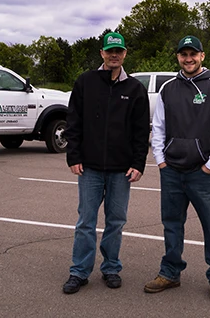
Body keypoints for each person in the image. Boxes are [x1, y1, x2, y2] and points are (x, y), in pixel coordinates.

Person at [144, 35, 210, 302]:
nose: (188, 58)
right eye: (184, 54)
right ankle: (170, 272)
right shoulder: (168, 88)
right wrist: (160, 161)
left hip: (202, 174)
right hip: (171, 171)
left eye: (193, 54)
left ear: (202, 56)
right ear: (178, 57)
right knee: (172, 225)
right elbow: (158, 127)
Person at [62, 32, 150, 294]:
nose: (114, 55)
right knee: (86, 222)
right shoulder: (85, 82)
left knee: (116, 221)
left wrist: (138, 163)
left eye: (118, 51)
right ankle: (79, 271)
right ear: (102, 53)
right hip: (89, 167)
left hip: (121, 170)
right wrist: (73, 155)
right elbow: (73, 122)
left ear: (124, 54)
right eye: (110, 51)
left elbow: (140, 131)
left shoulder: (135, 89)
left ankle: (111, 267)